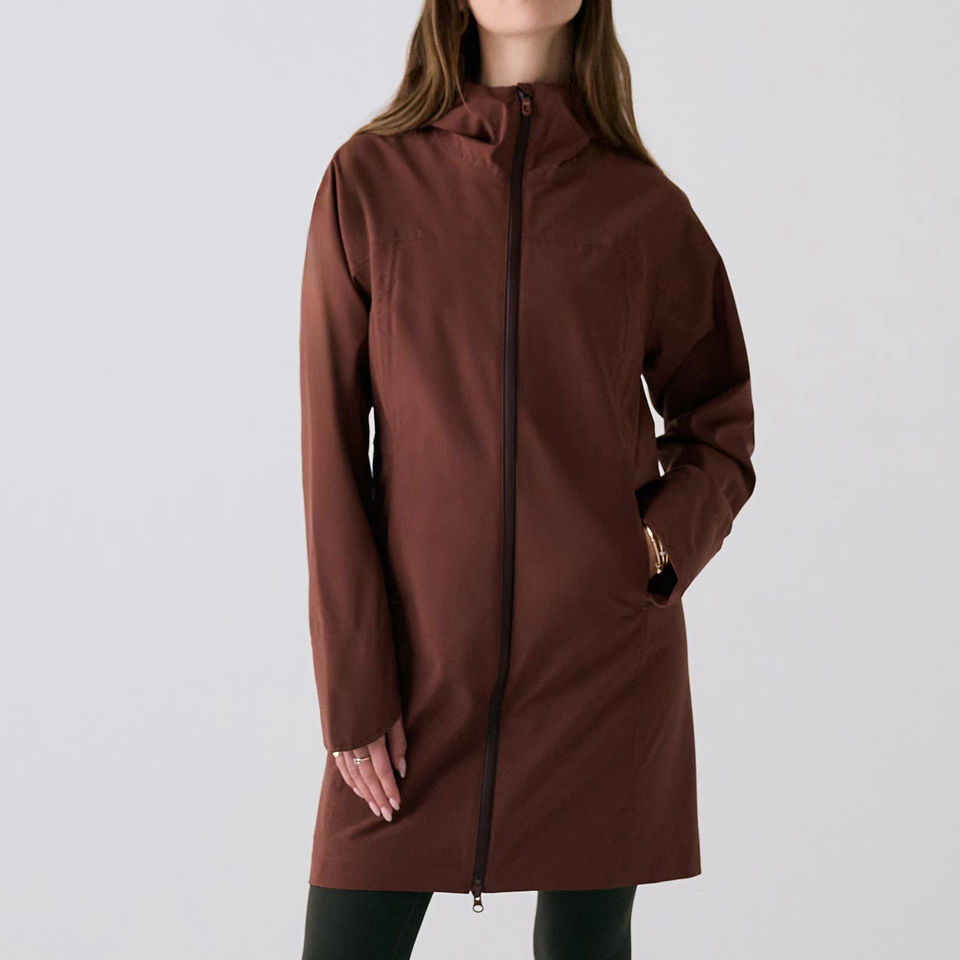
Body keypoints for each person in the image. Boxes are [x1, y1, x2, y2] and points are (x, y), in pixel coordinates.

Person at [297, 1, 757, 957]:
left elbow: (719, 420)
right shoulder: (369, 183)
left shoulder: (641, 207)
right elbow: (331, 450)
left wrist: (651, 552)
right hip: (417, 679)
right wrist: (353, 688)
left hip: (601, 672)